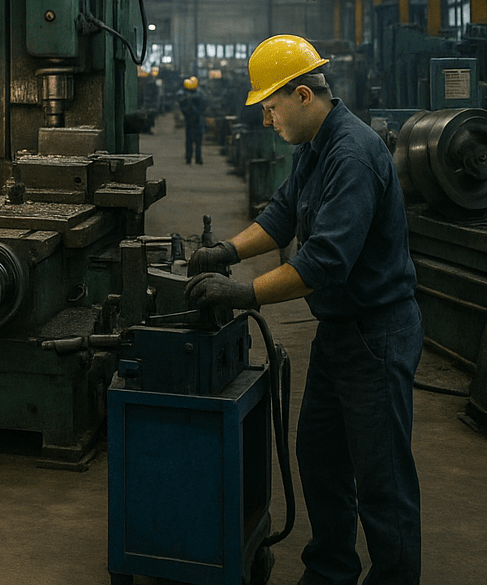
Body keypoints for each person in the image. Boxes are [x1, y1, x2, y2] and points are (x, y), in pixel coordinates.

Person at [185, 34, 421, 585]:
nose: (267, 120)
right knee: (320, 458)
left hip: (377, 334)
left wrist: (243, 293)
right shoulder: (313, 147)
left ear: (303, 95)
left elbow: (324, 263)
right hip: (339, 333)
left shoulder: (352, 155)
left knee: (382, 478)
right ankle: (331, 569)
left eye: (270, 107)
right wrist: (226, 253)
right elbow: (283, 216)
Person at [180, 76, 208, 164]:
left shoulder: (190, 95)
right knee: (196, 141)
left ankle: (191, 158)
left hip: (193, 120)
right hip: (196, 120)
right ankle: (196, 158)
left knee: (191, 140)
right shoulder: (199, 94)